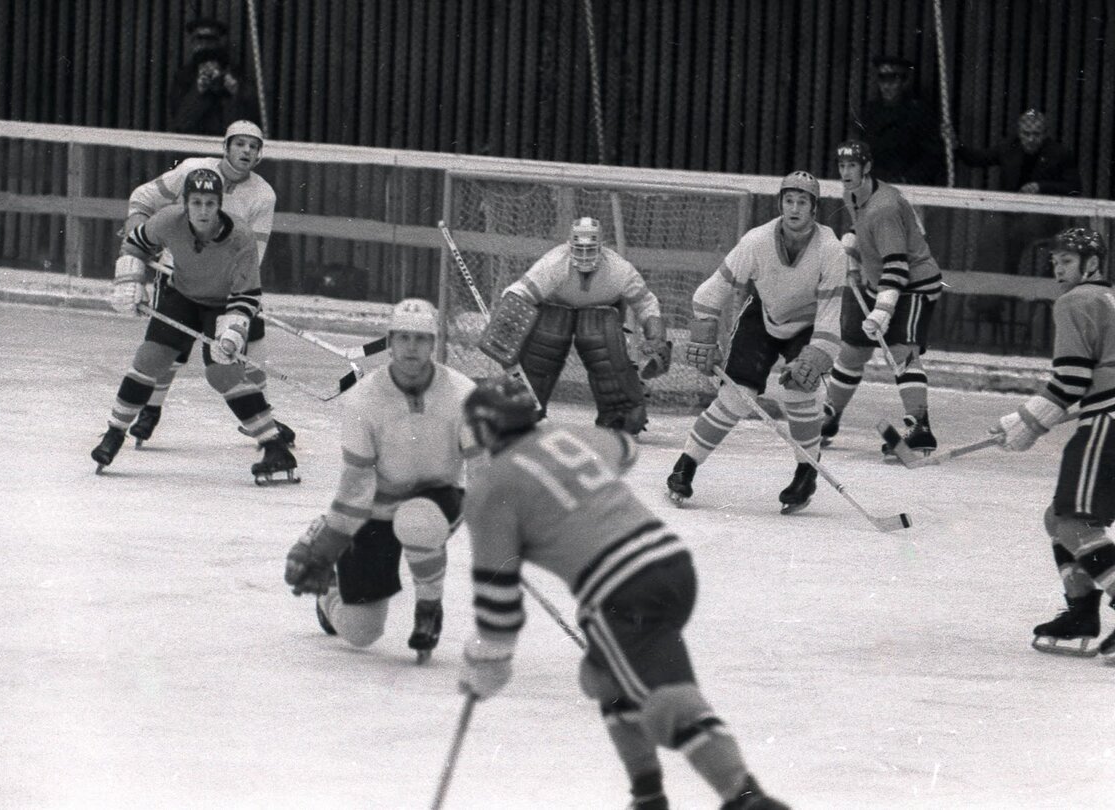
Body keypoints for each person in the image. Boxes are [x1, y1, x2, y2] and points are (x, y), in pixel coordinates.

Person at [456, 376, 790, 810]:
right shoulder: (566, 436)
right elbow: (625, 449)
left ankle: (748, 800)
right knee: (606, 679)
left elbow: (497, 600)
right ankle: (648, 796)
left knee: (668, 702)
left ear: (481, 430)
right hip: (671, 564)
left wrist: (489, 663)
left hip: (620, 591)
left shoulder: (490, 487)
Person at [282, 299, 477, 662]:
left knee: (417, 520)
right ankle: (330, 595)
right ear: (390, 341)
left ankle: (428, 612)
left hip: (439, 498)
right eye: (403, 338)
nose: (412, 347)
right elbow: (357, 484)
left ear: (433, 344)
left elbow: (482, 468)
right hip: (376, 506)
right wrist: (329, 543)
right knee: (361, 633)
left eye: (421, 339)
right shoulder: (363, 401)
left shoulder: (463, 394)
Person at [90, 168, 297, 485]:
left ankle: (275, 446)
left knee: (222, 373)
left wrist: (233, 330)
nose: (203, 211)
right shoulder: (167, 220)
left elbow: (247, 294)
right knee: (149, 360)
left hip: (224, 303)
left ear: (219, 205)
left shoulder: (240, 237)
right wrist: (129, 278)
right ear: (185, 203)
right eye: (196, 202)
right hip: (182, 295)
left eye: (210, 204)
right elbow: (135, 245)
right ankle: (114, 433)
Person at [665, 172, 844, 514]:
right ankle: (685, 465)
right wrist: (703, 335)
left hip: (809, 324)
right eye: (789, 201)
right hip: (762, 317)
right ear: (780, 204)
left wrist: (814, 357)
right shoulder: (756, 241)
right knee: (736, 396)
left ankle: (806, 472)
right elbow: (708, 294)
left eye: (802, 202)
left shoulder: (831, 250)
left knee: (799, 392)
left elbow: (830, 315)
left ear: (814, 209)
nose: (794, 208)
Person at [122, 120, 290, 448]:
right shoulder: (192, 170)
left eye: (253, 146)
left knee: (248, 345)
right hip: (179, 273)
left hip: (228, 283)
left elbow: (253, 252)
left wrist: (238, 293)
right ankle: (150, 412)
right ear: (224, 147)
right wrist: (137, 232)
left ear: (259, 155)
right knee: (169, 348)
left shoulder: (263, 195)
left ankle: (261, 413)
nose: (246, 151)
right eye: (239, 143)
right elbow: (143, 198)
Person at [989, 227, 1114, 661]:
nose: (1058, 270)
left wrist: (1025, 424)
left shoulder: (1077, 301)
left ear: (1092, 265)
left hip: (1108, 423)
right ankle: (1082, 612)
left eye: (1067, 262)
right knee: (1059, 516)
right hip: (1107, 417)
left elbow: (1072, 380)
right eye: (1055, 263)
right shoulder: (1108, 300)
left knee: (1074, 524)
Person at [477, 216, 670, 435]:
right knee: (550, 330)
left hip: (603, 315)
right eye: (580, 248)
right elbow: (518, 293)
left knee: (598, 334)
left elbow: (645, 302)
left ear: (602, 248)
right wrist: (505, 328)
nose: (585, 255)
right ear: (570, 247)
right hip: (553, 312)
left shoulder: (619, 270)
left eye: (591, 249)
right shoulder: (554, 264)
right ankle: (525, 407)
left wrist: (656, 337)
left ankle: (621, 413)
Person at [821, 140, 945, 456]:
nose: (846, 172)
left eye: (852, 166)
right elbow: (858, 226)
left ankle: (920, 429)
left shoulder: (885, 207)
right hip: (879, 281)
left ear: (867, 168)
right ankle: (828, 418)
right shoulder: (854, 194)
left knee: (902, 352)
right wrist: (849, 247)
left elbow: (898, 266)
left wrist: (883, 311)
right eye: (842, 166)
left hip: (914, 284)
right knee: (852, 350)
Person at [954, 109, 1083, 277]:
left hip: (1044, 216)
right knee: (990, 233)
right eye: (1026, 134)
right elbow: (977, 159)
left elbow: (1074, 188)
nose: (1030, 139)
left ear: (1045, 134)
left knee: (1012, 234)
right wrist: (957, 146)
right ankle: (990, 290)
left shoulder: (1060, 154)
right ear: (1019, 133)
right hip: (1010, 215)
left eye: (1036, 134)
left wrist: (1042, 187)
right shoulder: (1008, 148)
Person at [850, 55, 944, 186]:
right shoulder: (870, 112)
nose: (887, 86)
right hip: (873, 181)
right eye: (882, 79)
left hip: (907, 183)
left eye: (893, 80)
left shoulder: (918, 113)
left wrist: (908, 179)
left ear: (904, 82)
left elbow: (932, 155)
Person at [166, 18, 259, 136]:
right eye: (199, 40)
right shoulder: (183, 77)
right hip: (193, 142)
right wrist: (198, 91)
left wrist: (235, 92)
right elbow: (180, 123)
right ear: (192, 44)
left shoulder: (237, 75)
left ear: (219, 43)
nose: (204, 45)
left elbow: (249, 121)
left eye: (210, 40)